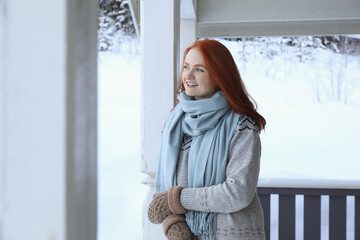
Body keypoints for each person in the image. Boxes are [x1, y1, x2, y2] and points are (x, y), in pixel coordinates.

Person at [147, 39, 266, 240]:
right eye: (186, 67)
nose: (189, 76)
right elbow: (166, 189)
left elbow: (237, 192)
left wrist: (177, 199)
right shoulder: (175, 122)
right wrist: (174, 224)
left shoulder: (241, 126)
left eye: (199, 69)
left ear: (220, 76)